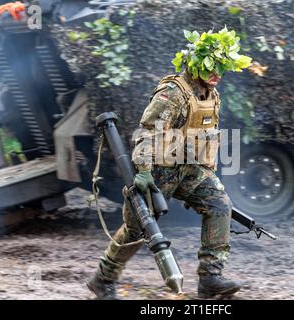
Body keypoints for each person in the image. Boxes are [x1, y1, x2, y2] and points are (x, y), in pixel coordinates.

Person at [88, 27, 252, 299]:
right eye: (213, 67)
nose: (218, 75)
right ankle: (103, 278)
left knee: (219, 204)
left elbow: (208, 136)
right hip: (159, 170)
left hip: (190, 169)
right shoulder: (174, 92)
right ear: (198, 64)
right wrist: (142, 171)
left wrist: (208, 171)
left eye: (223, 69)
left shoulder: (211, 94)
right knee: (137, 227)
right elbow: (147, 131)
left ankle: (211, 277)